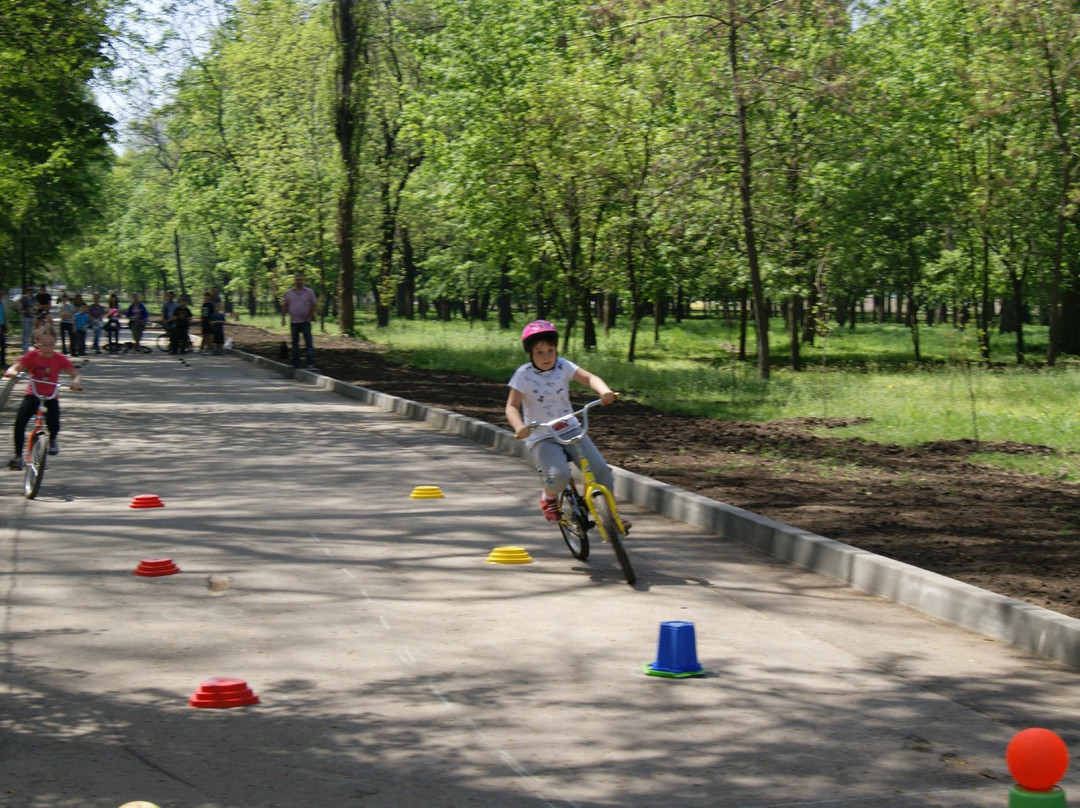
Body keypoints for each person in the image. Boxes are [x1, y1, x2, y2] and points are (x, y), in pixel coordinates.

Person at [504, 320, 621, 523]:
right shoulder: (523, 375)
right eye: (539, 352)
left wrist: (604, 391)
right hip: (542, 436)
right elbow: (511, 407)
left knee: (601, 470)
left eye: (550, 350)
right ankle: (548, 497)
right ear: (530, 352)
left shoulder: (563, 366)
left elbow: (590, 378)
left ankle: (610, 515)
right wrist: (519, 427)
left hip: (570, 429)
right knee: (559, 476)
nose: (546, 356)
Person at [4, 331, 83, 468]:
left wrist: (76, 381)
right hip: (33, 394)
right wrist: (12, 371)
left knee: (54, 421)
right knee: (20, 421)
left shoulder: (59, 358)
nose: (48, 348)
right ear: (37, 343)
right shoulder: (32, 356)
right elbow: (17, 366)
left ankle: (52, 439)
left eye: (51, 344)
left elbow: (73, 372)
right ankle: (17, 456)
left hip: (51, 395)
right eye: (44, 345)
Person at [281, 273, 317, 368]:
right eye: (297, 280)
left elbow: (313, 304)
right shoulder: (289, 293)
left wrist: (310, 315)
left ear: (303, 281)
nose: (299, 282)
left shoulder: (309, 292)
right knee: (295, 343)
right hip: (294, 321)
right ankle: (296, 363)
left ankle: (310, 363)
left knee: (308, 342)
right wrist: (283, 317)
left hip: (305, 321)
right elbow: (285, 305)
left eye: (300, 280)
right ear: (294, 281)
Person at [19, 287, 35, 352]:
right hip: (25, 317)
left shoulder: (33, 299)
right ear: (26, 292)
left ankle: (27, 347)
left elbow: (36, 306)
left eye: (30, 292)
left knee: (29, 333)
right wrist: (22, 311)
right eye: (28, 291)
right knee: (25, 333)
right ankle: (25, 348)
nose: (29, 293)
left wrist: (35, 310)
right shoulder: (23, 298)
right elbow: (16, 305)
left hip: (31, 317)